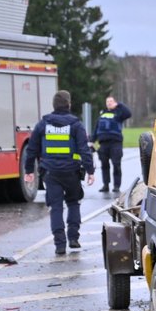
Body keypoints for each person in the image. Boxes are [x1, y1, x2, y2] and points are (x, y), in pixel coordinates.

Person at [24, 90, 95, 255]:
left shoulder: (43, 124)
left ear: (54, 105)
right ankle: (73, 238)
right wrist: (90, 170)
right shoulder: (76, 125)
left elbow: (32, 149)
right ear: (68, 104)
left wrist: (29, 171)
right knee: (73, 202)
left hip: (50, 173)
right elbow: (84, 149)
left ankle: (59, 244)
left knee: (55, 207)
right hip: (72, 172)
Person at [91, 95, 132, 194]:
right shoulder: (102, 114)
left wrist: (119, 105)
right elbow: (97, 128)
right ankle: (106, 185)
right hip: (103, 143)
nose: (109, 103)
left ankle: (116, 186)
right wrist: (92, 141)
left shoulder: (119, 112)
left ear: (115, 102)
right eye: (107, 101)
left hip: (115, 143)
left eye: (111, 101)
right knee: (104, 165)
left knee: (116, 165)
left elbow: (128, 113)